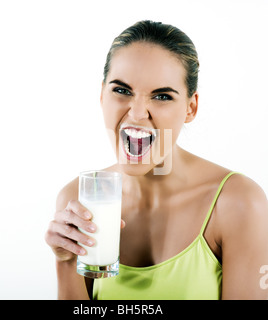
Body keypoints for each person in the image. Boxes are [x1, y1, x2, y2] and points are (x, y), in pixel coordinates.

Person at [45, 20, 268, 300]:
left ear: (190, 107)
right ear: (102, 95)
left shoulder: (239, 203)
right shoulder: (78, 198)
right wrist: (66, 260)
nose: (137, 113)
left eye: (162, 96)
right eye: (122, 90)